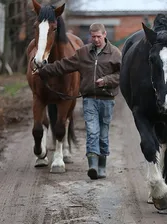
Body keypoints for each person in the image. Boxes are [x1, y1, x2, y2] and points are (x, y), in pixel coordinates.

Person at [37, 23, 122, 180]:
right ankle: (93, 166)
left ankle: (102, 165)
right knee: (92, 132)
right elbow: (65, 65)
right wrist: (44, 70)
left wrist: (107, 80)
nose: (96, 40)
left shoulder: (115, 53)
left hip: (107, 100)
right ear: (90, 36)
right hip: (89, 99)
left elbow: (121, 75)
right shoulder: (83, 53)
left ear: (104, 35)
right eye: (93, 37)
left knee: (103, 134)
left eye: (99, 36)